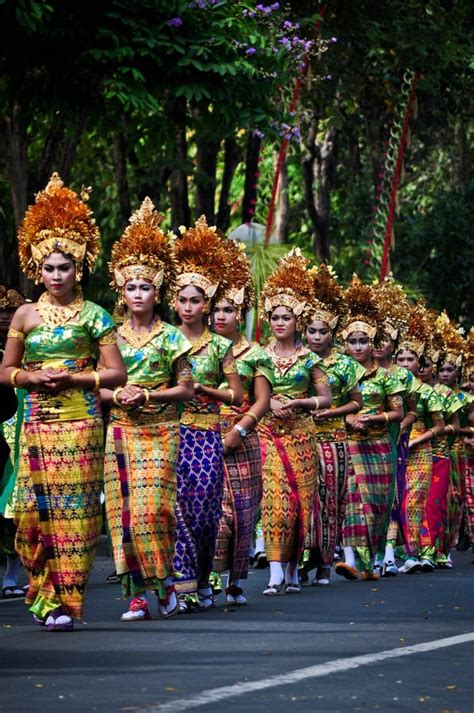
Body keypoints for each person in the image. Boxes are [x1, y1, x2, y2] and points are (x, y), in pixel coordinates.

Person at [0, 173, 126, 631]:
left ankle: (67, 604)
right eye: (49, 268)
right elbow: (4, 371)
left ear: (79, 268)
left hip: (82, 423)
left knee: (76, 513)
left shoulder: (96, 315)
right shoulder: (25, 314)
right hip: (36, 422)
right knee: (33, 514)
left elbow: (116, 373)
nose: (57, 276)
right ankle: (43, 595)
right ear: (37, 268)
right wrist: (30, 376)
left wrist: (73, 376)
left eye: (65, 268)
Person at [101, 198, 194, 621]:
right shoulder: (107, 336)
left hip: (161, 431)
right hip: (120, 430)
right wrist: (117, 396)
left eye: (146, 287)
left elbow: (187, 389)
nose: (138, 294)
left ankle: (167, 583)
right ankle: (137, 594)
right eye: (131, 287)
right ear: (121, 292)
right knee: (124, 513)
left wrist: (149, 396)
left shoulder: (174, 337)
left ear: (158, 292)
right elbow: (95, 387)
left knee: (154, 509)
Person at [172, 216, 243, 612]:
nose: (188, 307)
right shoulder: (164, 340)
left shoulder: (219, 347)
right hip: (168, 431)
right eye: (182, 300)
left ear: (207, 304)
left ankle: (201, 579)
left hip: (206, 435)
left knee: (204, 510)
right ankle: (181, 586)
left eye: (195, 300)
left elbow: (236, 396)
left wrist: (201, 389)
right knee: (175, 509)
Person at [257, 248, 332, 595]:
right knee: (275, 503)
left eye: (286, 317)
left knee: (301, 505)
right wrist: (268, 401)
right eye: (274, 316)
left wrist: (301, 401)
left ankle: (291, 569)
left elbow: (326, 398)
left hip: (302, 434)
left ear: (297, 320)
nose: (280, 322)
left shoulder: (309, 359)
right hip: (269, 433)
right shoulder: (258, 356)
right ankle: (274, 572)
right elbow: (251, 396)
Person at [212, 238, 272, 605]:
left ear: (242, 313)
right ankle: (208, 579)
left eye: (229, 309)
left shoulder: (254, 353)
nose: (221, 316)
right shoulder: (196, 348)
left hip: (244, 436)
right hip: (203, 434)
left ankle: (234, 579)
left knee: (243, 510)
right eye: (216, 309)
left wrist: (240, 429)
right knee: (211, 510)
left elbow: (263, 399)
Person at [335, 276, 404, 581]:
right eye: (352, 341)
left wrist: (376, 419)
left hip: (378, 444)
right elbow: (330, 407)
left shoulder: (388, 377)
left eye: (363, 341)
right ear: (345, 344)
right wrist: (347, 420)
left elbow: (399, 412)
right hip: (349, 442)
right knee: (351, 500)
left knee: (376, 504)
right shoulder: (337, 373)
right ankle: (350, 560)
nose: (358, 347)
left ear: (372, 344)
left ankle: (373, 562)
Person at [301, 264, 365, 586]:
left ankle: (325, 563)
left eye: (322, 332)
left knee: (329, 503)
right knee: (303, 501)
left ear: (332, 333)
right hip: (299, 438)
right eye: (311, 331)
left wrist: (336, 412)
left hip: (335, 441)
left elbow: (358, 402)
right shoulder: (297, 360)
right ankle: (295, 562)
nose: (315, 337)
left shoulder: (344, 364)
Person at [371, 276, 419, 576]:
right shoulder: (357, 371)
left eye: (384, 339)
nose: (379, 345)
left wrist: (400, 428)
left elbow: (411, 412)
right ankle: (367, 553)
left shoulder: (404, 377)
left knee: (392, 495)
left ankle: (389, 553)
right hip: (364, 440)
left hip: (394, 441)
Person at [394, 304, 445, 573]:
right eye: (400, 359)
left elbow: (439, 426)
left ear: (420, 363)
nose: (404, 364)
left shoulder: (426, 391)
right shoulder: (390, 384)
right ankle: (394, 554)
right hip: (395, 445)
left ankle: (414, 552)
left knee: (414, 501)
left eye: (409, 360)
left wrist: (417, 439)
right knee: (395, 498)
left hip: (420, 451)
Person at [435, 312, 471, 561]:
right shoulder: (428, 393)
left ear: (458, 371)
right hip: (433, 447)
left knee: (454, 497)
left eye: (450, 370)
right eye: (441, 369)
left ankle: (446, 544)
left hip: (457, 450)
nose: (445, 374)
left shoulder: (466, 398)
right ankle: (433, 547)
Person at [0, 286, 26, 599]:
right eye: (1, 312)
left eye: (10, 312)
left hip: (17, 432)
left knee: (13, 507)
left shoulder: (26, 348)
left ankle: (12, 572)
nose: (5, 318)